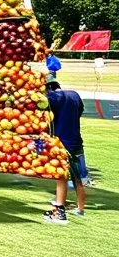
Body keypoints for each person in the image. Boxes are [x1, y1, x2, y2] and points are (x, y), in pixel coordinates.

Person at [44, 81, 87, 224]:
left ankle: (59, 212)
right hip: (76, 142)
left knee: (61, 177)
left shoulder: (53, 97)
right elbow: (80, 111)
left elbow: (44, 110)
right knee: (77, 178)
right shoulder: (74, 95)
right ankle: (81, 209)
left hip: (62, 143)